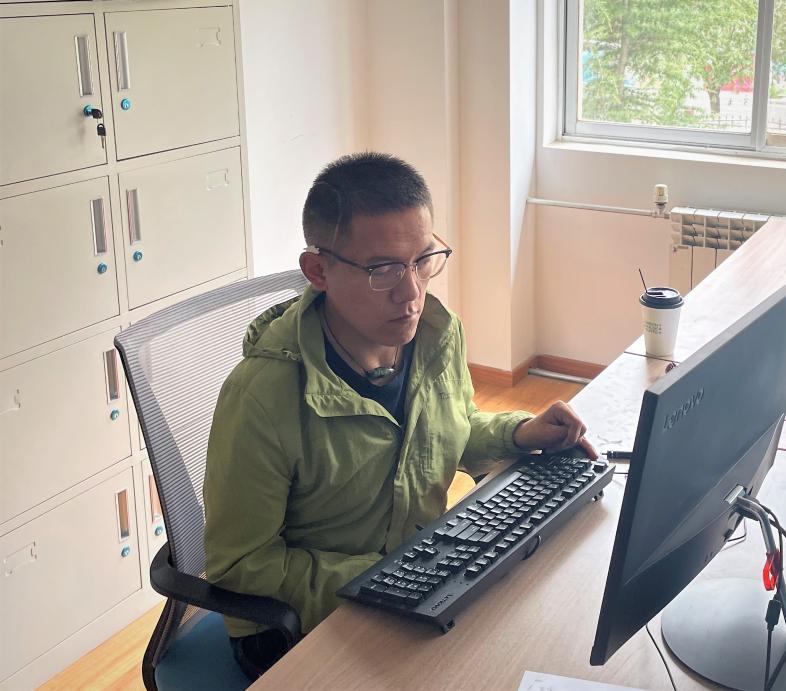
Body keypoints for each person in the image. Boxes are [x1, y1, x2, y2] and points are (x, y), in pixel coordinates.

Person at [203, 152, 597, 679]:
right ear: (318, 271)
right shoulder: (262, 396)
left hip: (414, 588)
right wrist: (387, 578)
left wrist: (521, 433)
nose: (411, 292)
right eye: (382, 270)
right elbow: (238, 566)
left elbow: (447, 431)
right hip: (300, 628)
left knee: (539, 636)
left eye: (423, 260)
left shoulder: (436, 335)